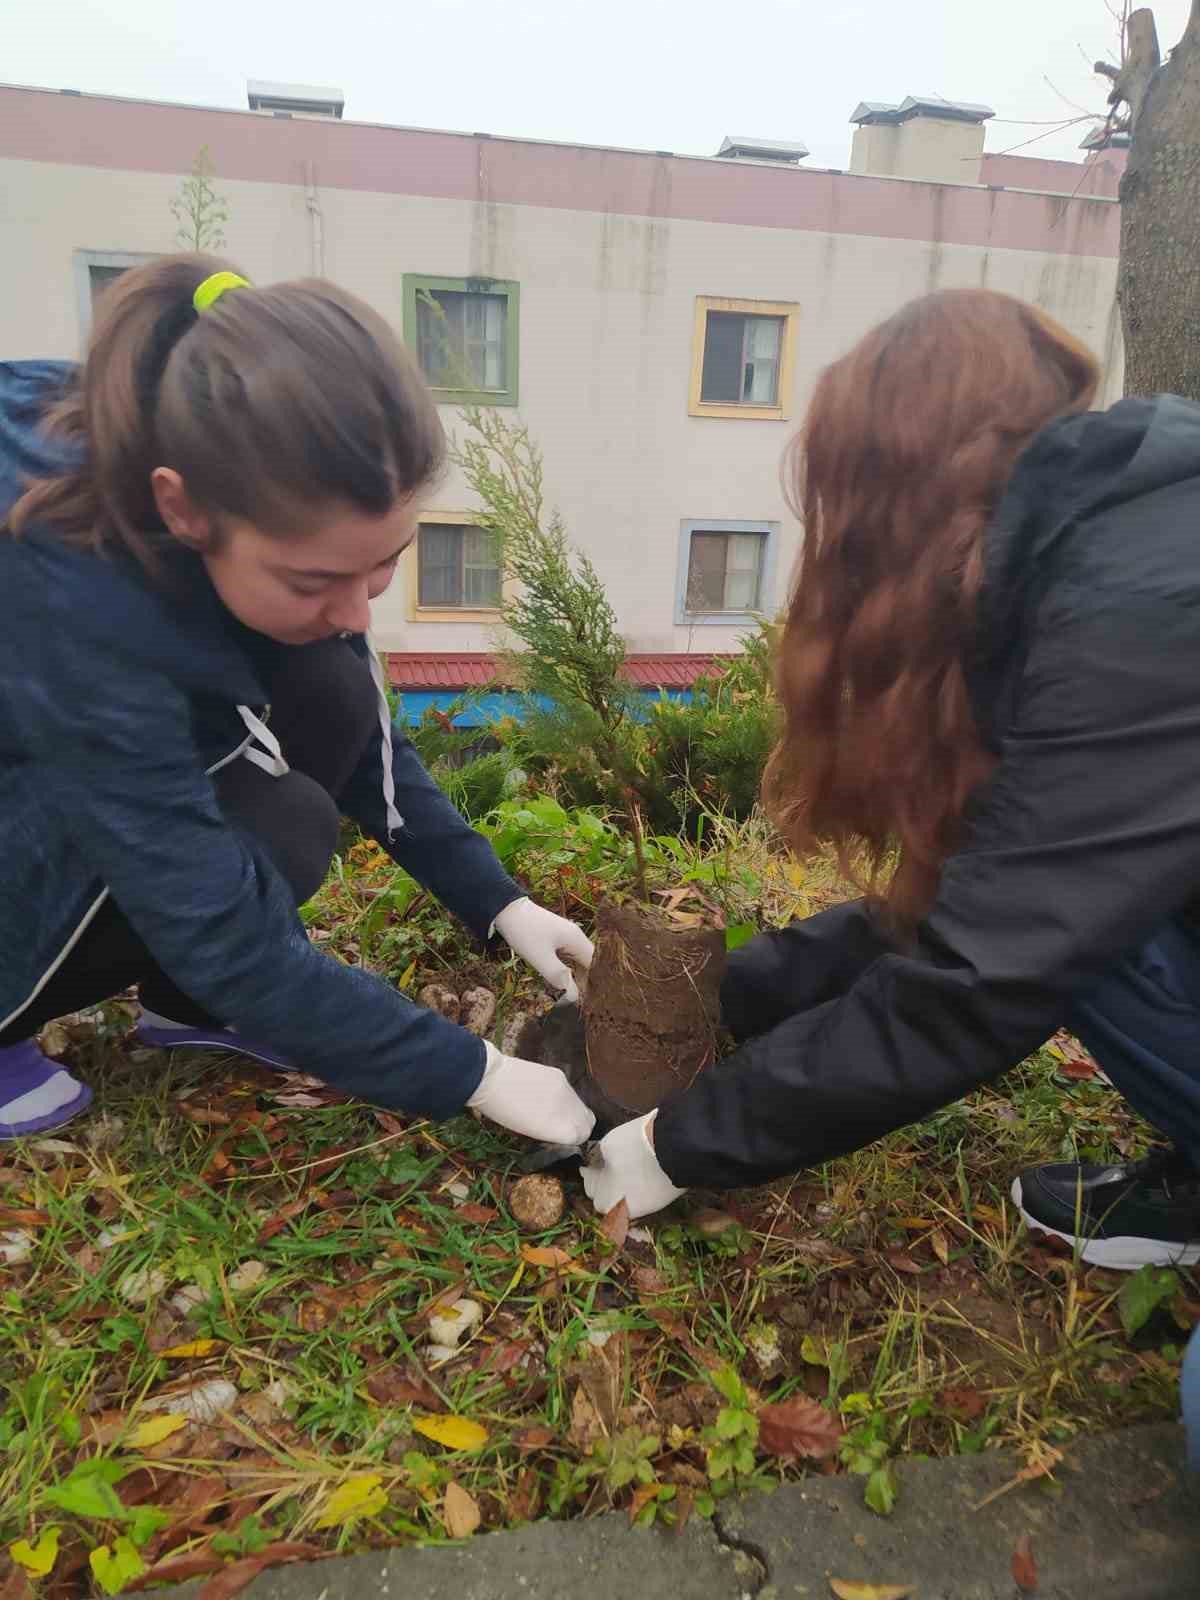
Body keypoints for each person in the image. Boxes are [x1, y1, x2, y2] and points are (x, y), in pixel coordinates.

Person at [584, 287, 1200, 1279]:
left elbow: (982, 977)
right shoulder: (1097, 549)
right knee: (1098, 924)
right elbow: (993, 900)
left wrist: (673, 1146)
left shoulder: (1140, 609)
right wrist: (714, 1000)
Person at [0, 254, 594, 1150]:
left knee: (311, 726)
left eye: (383, 562)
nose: (360, 609)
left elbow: (361, 733)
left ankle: (181, 1006)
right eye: (317, 576)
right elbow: (212, 920)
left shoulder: (236, 465)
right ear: (185, 511)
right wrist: (475, 1072)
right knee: (167, 857)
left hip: (74, 720)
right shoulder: (72, 592)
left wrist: (501, 903)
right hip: (35, 752)